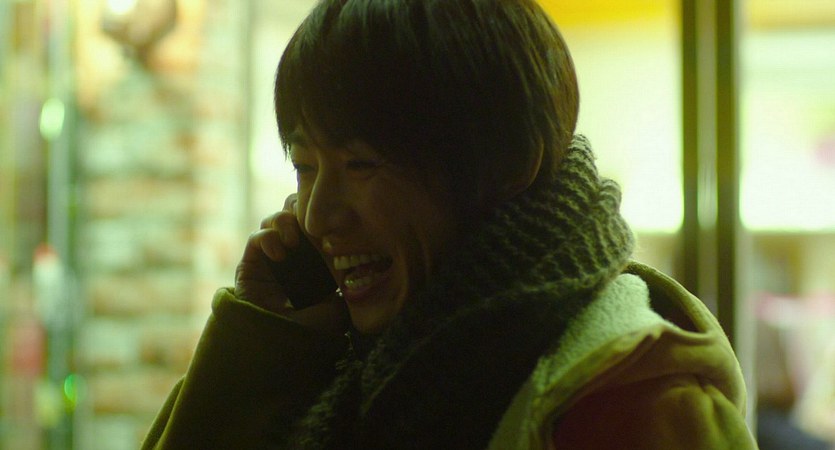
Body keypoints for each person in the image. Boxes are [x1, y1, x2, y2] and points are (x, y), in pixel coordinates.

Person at [142, 0, 759, 448]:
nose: (317, 215)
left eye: (361, 164)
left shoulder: (633, 406)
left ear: (508, 164)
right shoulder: (345, 367)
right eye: (305, 167)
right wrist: (264, 344)